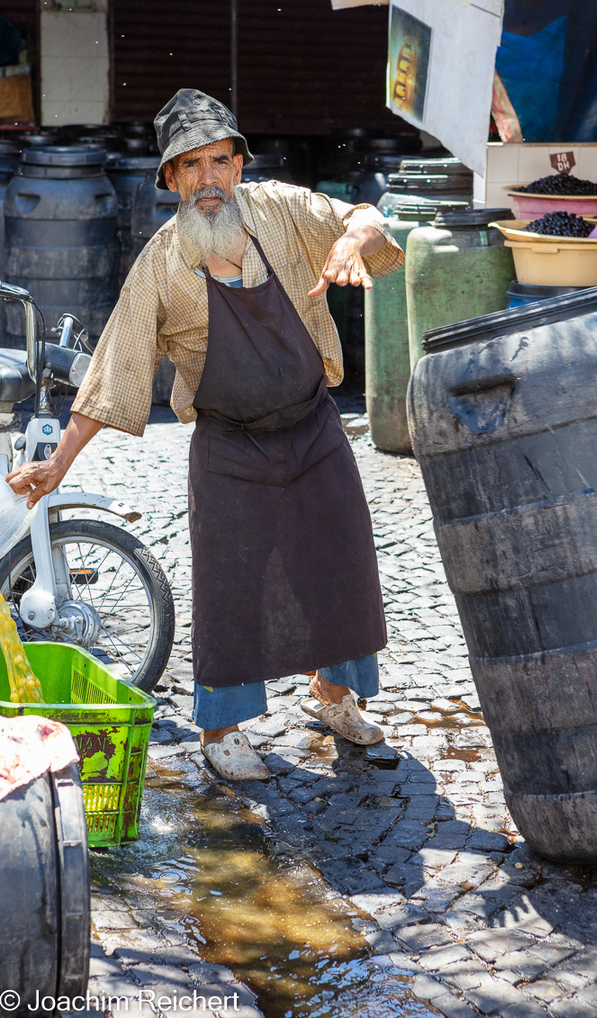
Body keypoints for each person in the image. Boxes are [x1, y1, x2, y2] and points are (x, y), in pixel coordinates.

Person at [7, 89, 404, 782]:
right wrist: (58, 466)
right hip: (228, 449)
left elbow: (367, 217)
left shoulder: (282, 211)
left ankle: (333, 696)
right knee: (230, 590)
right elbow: (115, 371)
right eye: (191, 166)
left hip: (313, 429)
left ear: (240, 166)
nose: (209, 178)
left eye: (221, 160)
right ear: (170, 180)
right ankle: (221, 730)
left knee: (343, 565)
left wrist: (352, 238)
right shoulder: (161, 265)